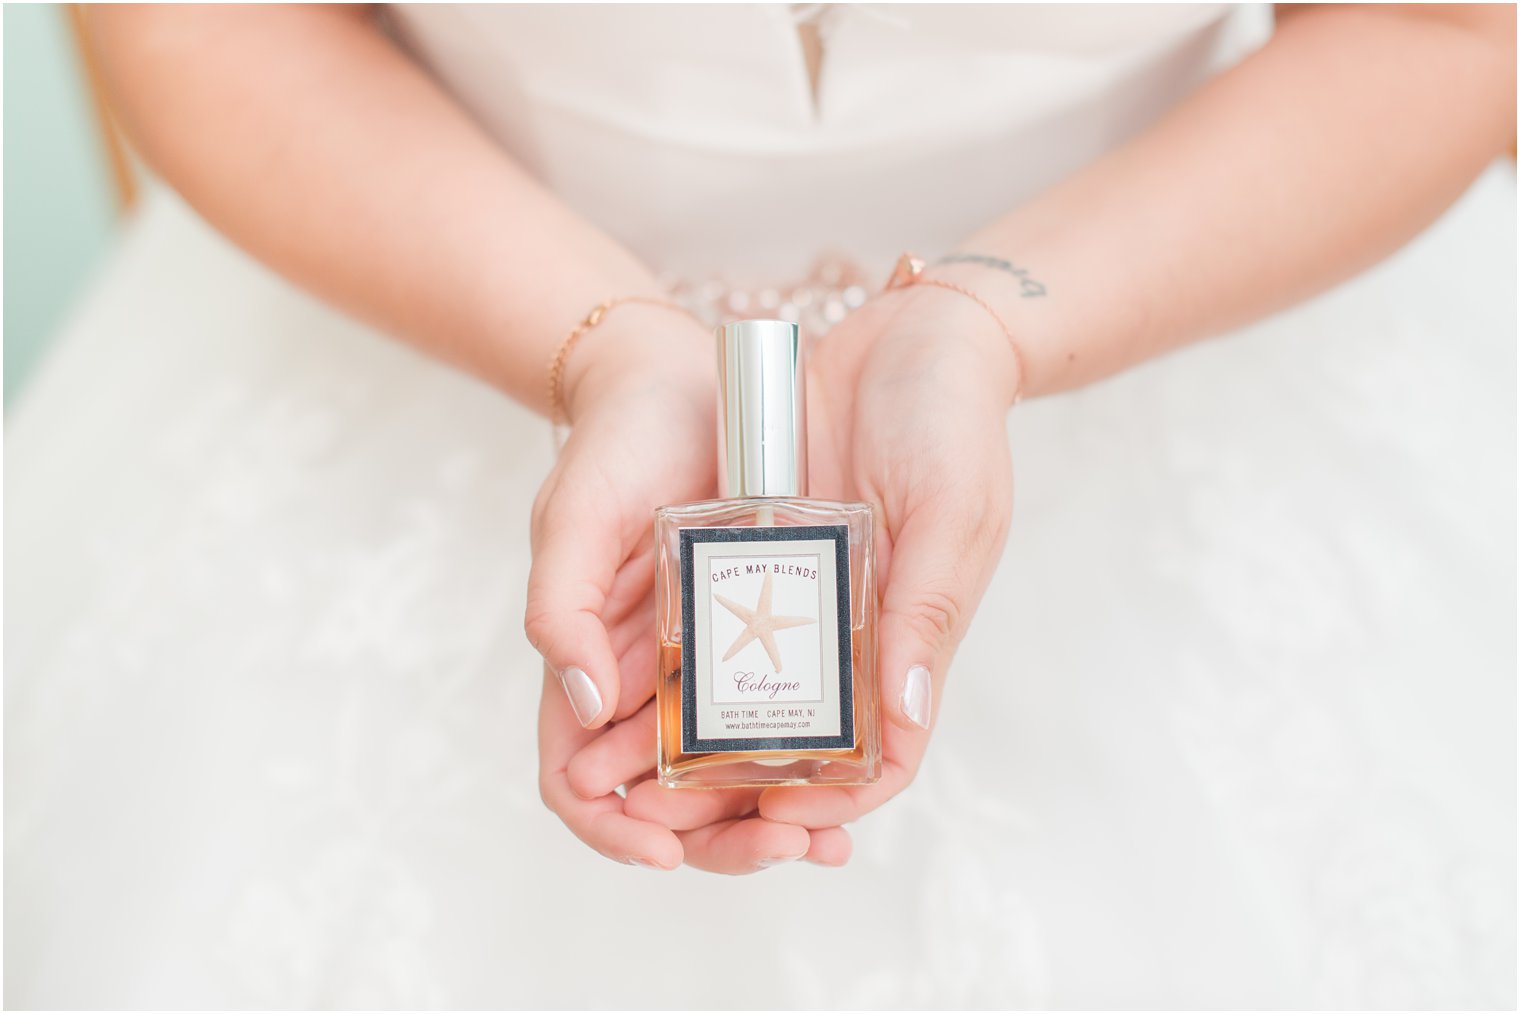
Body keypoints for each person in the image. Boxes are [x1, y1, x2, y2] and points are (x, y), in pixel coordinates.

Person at [7, 4, 1513, 1007]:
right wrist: (597, 339)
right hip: (428, 276)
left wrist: (981, 324)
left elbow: (1433, 23)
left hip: (1183, 283)